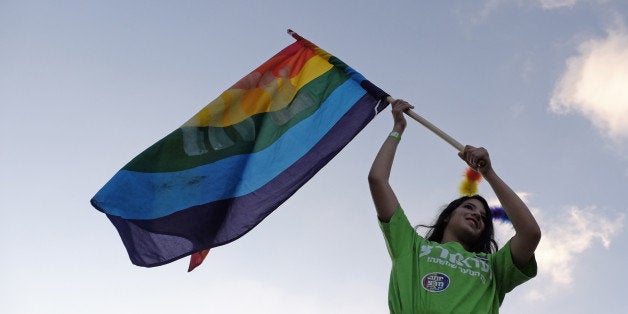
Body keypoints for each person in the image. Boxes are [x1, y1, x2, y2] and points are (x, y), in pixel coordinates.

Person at [368, 99, 541, 313]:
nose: (477, 215)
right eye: (469, 207)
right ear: (448, 216)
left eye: (483, 216)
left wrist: (488, 173)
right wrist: (397, 129)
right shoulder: (411, 246)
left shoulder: (495, 267)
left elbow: (530, 233)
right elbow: (378, 179)